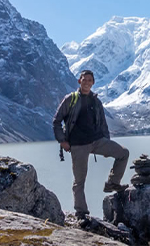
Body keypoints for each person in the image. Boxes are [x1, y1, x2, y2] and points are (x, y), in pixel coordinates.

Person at [53, 69, 130, 219]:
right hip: (78, 145)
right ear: (79, 81)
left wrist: (106, 140)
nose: (87, 82)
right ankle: (81, 212)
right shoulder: (71, 99)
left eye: (90, 80)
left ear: (93, 83)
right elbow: (56, 121)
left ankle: (113, 183)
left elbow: (102, 123)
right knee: (79, 181)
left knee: (123, 153)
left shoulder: (96, 101)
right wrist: (62, 141)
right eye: (84, 79)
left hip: (97, 141)